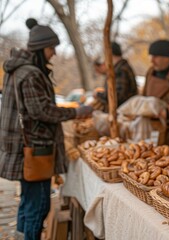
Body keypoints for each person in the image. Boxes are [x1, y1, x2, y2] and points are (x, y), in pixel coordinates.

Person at [0, 18, 93, 240]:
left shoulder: (18, 70)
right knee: (38, 206)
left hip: (24, 148)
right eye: (52, 48)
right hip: (34, 149)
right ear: (41, 49)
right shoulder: (30, 73)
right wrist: (76, 112)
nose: (54, 54)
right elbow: (42, 111)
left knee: (28, 202)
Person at [94, 42, 137, 111]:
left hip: (122, 112)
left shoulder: (121, 70)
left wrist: (99, 95)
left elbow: (117, 97)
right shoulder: (118, 68)